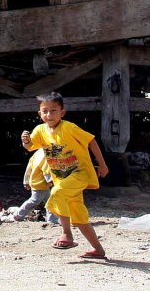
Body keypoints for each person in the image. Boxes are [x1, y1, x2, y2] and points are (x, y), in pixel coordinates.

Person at [22, 93, 110, 259]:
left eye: (54, 110)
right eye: (45, 111)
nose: (49, 115)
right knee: (79, 217)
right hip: (62, 178)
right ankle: (98, 250)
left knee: (56, 193)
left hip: (79, 173)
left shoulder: (69, 127)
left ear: (62, 112)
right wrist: (25, 140)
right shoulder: (40, 130)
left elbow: (91, 140)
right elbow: (30, 146)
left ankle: (67, 235)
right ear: (39, 114)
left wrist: (103, 164)